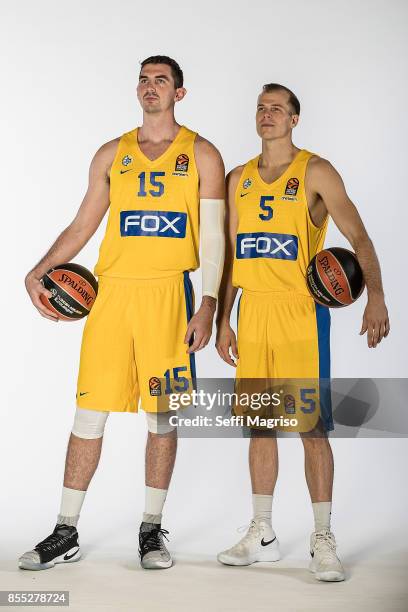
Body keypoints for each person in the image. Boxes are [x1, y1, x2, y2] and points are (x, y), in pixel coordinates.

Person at [20, 55, 225, 571]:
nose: (150, 87)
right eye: (144, 79)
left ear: (180, 92)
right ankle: (64, 531)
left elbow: (215, 237)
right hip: (111, 296)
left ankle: (151, 531)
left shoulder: (202, 153)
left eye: (161, 80)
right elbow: (82, 224)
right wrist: (39, 270)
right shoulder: (112, 154)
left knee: (162, 417)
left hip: (167, 296)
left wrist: (207, 303)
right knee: (89, 414)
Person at [215, 83, 389, 581]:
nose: (267, 115)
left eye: (278, 109)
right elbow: (232, 255)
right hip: (254, 313)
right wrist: (226, 317)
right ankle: (263, 531)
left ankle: (322, 537)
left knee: (311, 428)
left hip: (299, 313)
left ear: (294, 120)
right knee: (260, 425)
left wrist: (375, 296)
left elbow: (359, 236)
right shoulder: (237, 178)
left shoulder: (315, 171)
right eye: (261, 107)